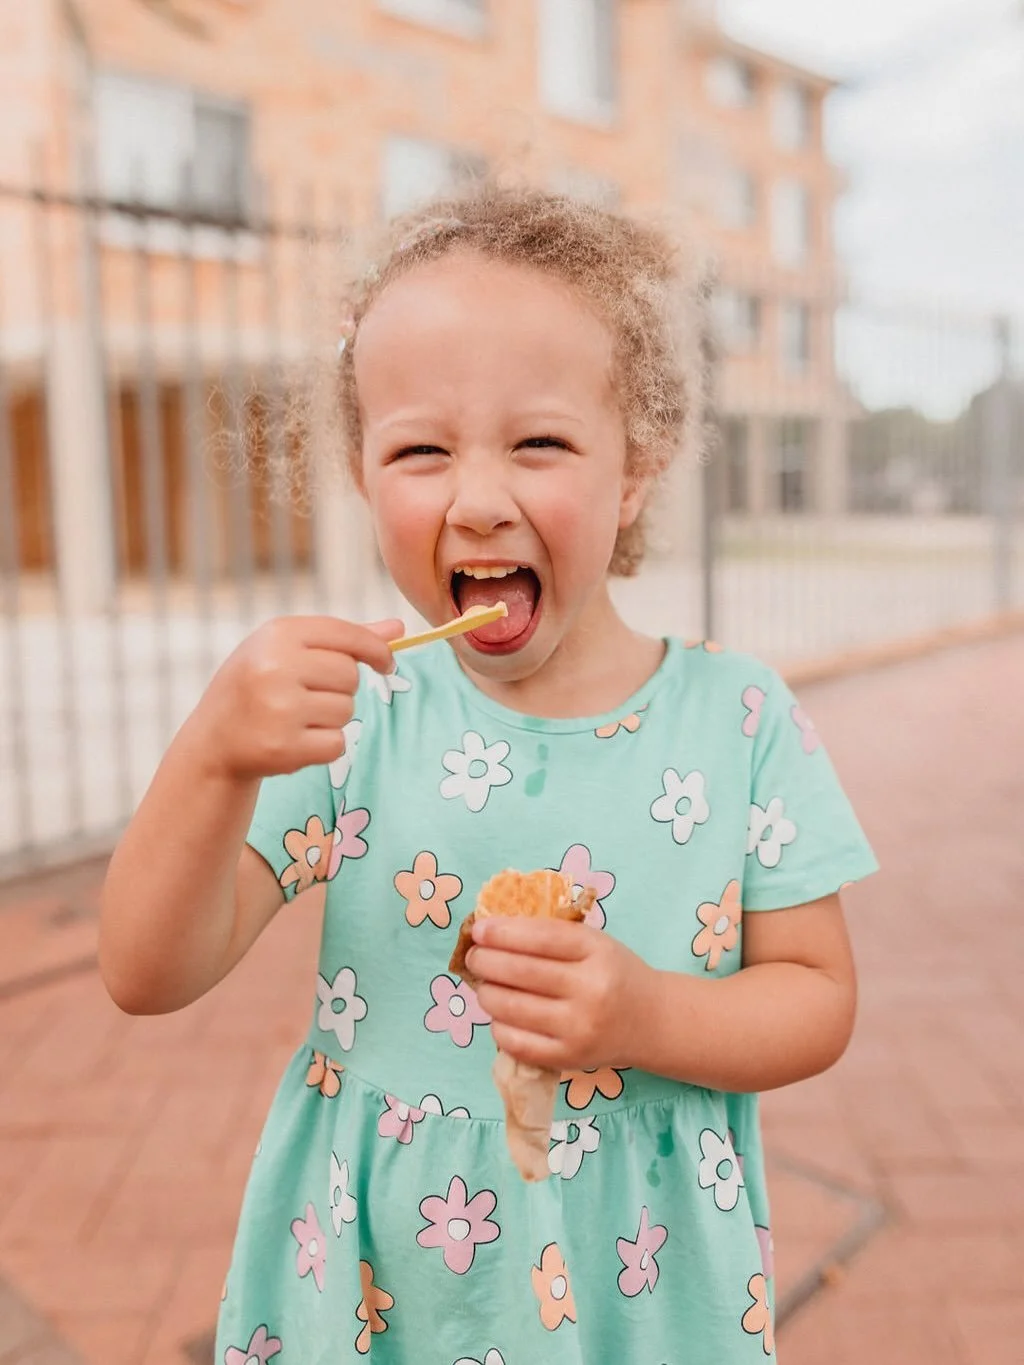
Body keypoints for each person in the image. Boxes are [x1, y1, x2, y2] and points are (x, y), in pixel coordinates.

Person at [99, 186, 877, 1364]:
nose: (475, 501)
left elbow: (816, 996)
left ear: (634, 470)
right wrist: (211, 754)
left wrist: (644, 1015)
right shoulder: (362, 721)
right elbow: (145, 972)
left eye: (538, 444)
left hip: (639, 1283)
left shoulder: (739, 720)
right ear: (363, 477)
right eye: (421, 451)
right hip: (388, 1285)